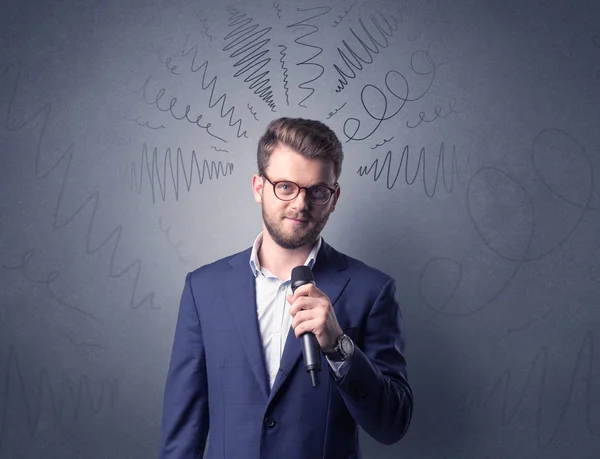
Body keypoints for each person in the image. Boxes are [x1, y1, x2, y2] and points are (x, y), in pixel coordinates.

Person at [158, 117, 413, 459]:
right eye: (286, 187)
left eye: (317, 191)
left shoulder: (372, 289)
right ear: (258, 187)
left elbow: (392, 425)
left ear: (334, 197)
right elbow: (182, 434)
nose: (300, 204)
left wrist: (340, 347)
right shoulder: (203, 289)